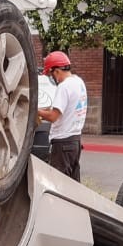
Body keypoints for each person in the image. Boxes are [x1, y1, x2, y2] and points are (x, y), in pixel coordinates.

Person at [37, 50, 87, 180]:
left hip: (62, 144)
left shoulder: (64, 87)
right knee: (73, 185)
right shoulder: (78, 82)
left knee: (59, 184)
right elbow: (64, 108)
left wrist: (35, 111)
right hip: (75, 142)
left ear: (57, 71)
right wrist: (44, 109)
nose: (52, 77)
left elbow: (53, 117)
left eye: (51, 74)